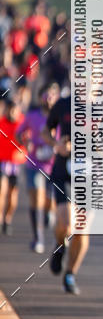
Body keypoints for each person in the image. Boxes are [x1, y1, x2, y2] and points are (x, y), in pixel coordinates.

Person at [44, 92, 89, 294]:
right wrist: (57, 145)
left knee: (82, 230)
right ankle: (60, 245)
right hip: (64, 171)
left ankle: (70, 274)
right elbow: (46, 131)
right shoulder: (63, 104)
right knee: (66, 223)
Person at [16, 84, 58, 253]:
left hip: (54, 166)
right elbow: (19, 133)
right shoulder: (32, 116)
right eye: (46, 95)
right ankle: (38, 237)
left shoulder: (60, 116)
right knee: (36, 200)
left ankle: (50, 213)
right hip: (34, 164)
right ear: (41, 97)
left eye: (52, 95)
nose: (48, 99)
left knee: (49, 201)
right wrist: (25, 143)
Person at [0, 98, 25, 235]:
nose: (12, 113)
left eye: (14, 110)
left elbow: (27, 140)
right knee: (2, 191)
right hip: (2, 162)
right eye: (10, 109)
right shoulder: (1, 123)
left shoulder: (22, 123)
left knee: (12, 195)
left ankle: (7, 219)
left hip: (16, 163)